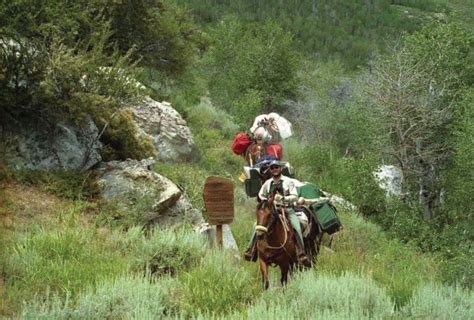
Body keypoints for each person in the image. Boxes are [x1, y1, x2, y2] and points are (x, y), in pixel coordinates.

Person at [244, 160, 311, 266]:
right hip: (271, 210)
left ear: (280, 168)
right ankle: (251, 250)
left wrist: (284, 198)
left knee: (296, 227)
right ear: (270, 170)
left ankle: (301, 253)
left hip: (287, 209)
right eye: (272, 168)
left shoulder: (288, 181)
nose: (274, 169)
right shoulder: (267, 183)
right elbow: (261, 195)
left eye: (276, 167)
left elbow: (295, 196)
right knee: (256, 226)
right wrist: (268, 200)